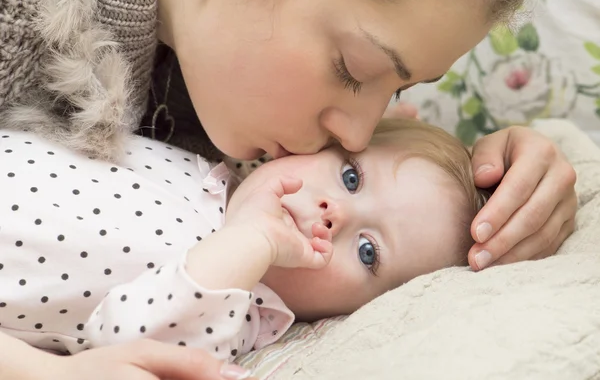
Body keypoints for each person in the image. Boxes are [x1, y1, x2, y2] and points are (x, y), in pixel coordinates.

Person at [0, 0, 577, 379]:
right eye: (355, 71)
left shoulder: (227, 134)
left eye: (397, 92)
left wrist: (493, 170)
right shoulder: (23, 15)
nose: (358, 135)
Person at [0, 119, 488, 366]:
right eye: (351, 177)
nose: (334, 212)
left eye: (368, 252)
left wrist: (252, 240)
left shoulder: (234, 315)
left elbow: (122, 345)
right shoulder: (206, 162)